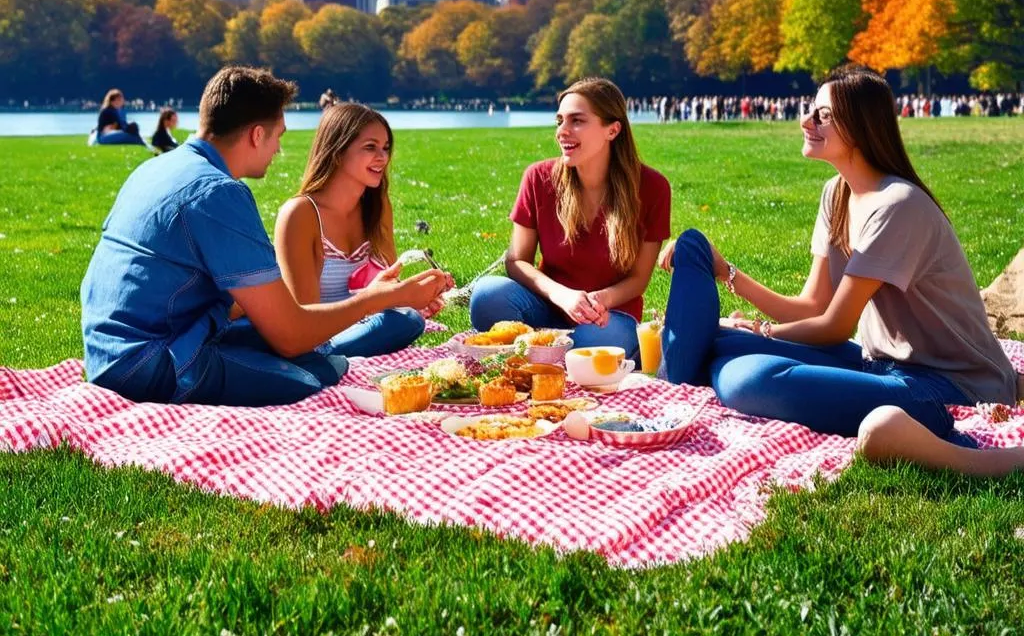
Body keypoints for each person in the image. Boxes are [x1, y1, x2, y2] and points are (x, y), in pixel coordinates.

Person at [659, 64, 1023, 476]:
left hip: (949, 387)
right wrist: (726, 271)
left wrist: (762, 333)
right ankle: (676, 389)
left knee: (745, 378)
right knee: (718, 327)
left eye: (823, 115)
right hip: (879, 366)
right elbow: (812, 305)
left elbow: (833, 326)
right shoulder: (838, 194)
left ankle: (954, 446)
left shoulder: (897, 205)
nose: (806, 121)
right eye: (811, 110)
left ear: (861, 125)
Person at [81, 66, 448, 406]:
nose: (278, 149)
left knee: (317, 357)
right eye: (278, 136)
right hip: (151, 363)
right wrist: (378, 299)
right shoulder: (218, 193)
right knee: (313, 375)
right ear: (258, 134)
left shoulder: (156, 168)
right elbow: (289, 335)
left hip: (109, 351)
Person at [469, 77, 671, 356]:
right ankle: (548, 350)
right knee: (487, 296)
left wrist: (599, 300)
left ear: (612, 130)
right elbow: (516, 261)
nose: (562, 131)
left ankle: (539, 352)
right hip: (546, 307)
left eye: (576, 121)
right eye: (559, 121)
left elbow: (639, 279)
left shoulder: (653, 188)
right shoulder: (538, 178)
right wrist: (560, 295)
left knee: (595, 344)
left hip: (606, 316)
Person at [273, 102, 439, 358]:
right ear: (338, 151)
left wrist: (415, 295)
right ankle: (326, 360)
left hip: (363, 327)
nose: (382, 157)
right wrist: (380, 302)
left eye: (385, 148)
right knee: (406, 321)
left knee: (409, 318)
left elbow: (387, 287)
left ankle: (337, 359)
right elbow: (303, 317)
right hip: (314, 338)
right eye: (370, 147)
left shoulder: (377, 206)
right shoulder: (300, 214)